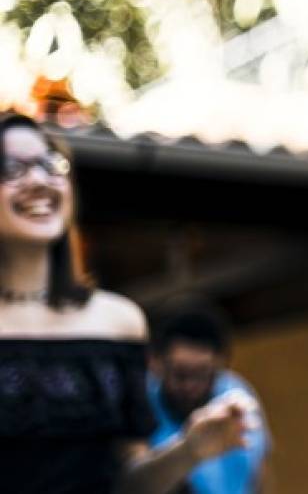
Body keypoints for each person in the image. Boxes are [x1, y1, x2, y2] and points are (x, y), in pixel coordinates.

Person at [0, 112, 250, 494]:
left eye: (50, 165)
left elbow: (129, 485)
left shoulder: (118, 322)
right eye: (10, 168)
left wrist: (190, 449)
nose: (37, 181)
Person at [148, 306, 271, 494]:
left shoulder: (238, 395)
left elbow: (259, 471)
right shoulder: (142, 403)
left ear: (219, 367)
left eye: (201, 375)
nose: (190, 387)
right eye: (180, 375)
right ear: (157, 364)